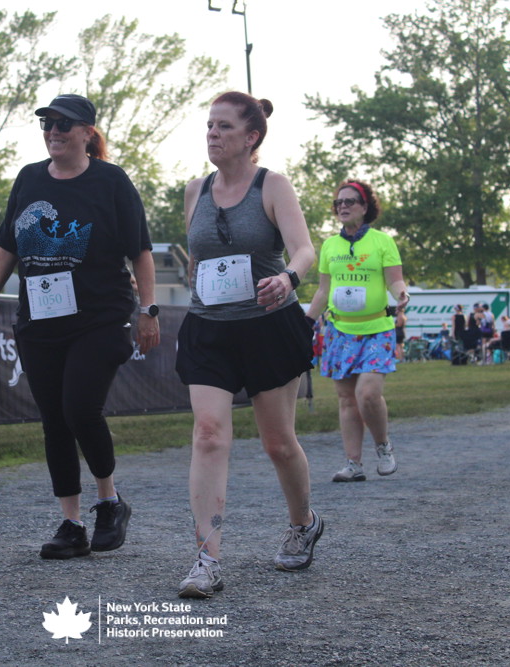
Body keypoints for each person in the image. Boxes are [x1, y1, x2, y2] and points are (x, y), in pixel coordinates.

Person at [0, 94, 159, 561]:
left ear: (87, 132)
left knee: (79, 408)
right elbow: (8, 247)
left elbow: (140, 251)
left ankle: (109, 502)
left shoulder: (110, 181)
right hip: (40, 320)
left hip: (100, 316)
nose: (53, 131)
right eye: (47, 123)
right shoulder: (29, 178)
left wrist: (148, 310)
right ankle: (72, 524)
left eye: (63, 124)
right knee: (54, 419)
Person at [174, 92, 318, 599]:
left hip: (267, 326)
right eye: (209, 125)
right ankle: (206, 560)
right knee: (208, 434)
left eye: (224, 126)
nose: (213, 134)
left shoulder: (272, 185)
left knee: (278, 443)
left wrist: (288, 278)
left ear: (251, 136)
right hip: (209, 328)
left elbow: (305, 249)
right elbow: (198, 257)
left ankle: (302, 524)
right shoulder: (195, 190)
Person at [308, 178, 409, 484]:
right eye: (339, 202)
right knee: (346, 399)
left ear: (365, 207)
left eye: (350, 201)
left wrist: (401, 293)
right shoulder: (330, 245)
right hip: (339, 331)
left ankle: (383, 446)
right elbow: (323, 290)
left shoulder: (382, 242)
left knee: (367, 394)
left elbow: (394, 279)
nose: (343, 206)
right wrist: (306, 321)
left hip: (377, 329)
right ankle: (353, 464)